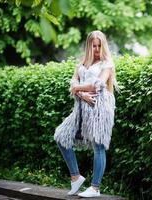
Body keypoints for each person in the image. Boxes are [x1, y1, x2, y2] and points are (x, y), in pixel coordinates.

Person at [54, 30, 117, 197]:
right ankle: (75, 177)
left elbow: (97, 85)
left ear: (103, 46)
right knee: (61, 136)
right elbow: (73, 83)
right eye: (93, 46)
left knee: (98, 146)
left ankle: (95, 188)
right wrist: (81, 93)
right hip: (81, 109)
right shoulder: (82, 63)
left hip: (99, 109)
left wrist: (78, 88)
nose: (96, 49)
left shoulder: (107, 64)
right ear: (88, 46)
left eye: (99, 46)